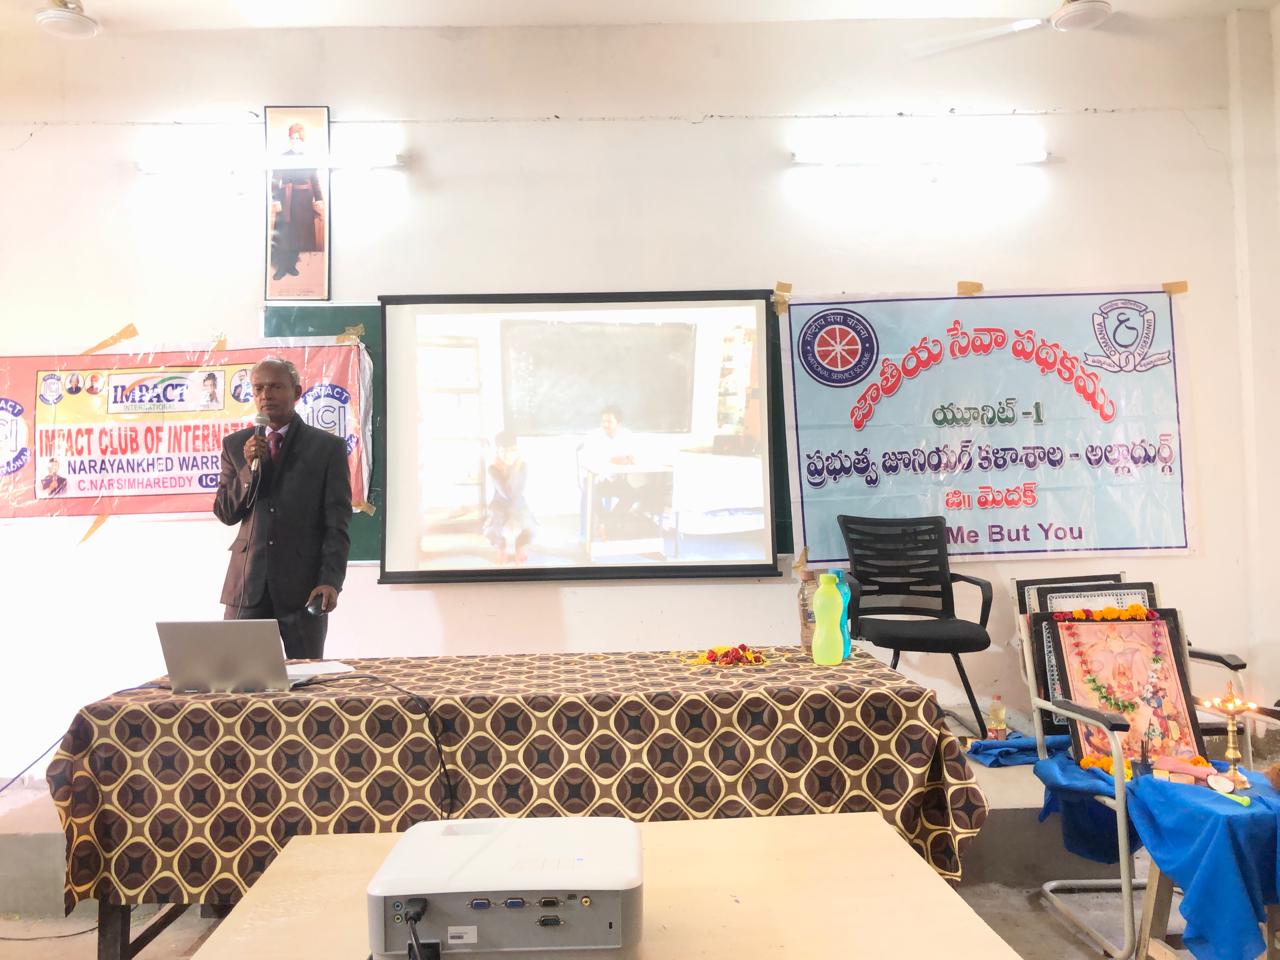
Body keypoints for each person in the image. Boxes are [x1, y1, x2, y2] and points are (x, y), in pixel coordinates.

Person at [213, 357, 351, 659]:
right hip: (246, 586)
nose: (266, 395)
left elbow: (337, 523)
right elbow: (225, 512)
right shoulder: (235, 445)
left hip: (303, 589)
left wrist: (330, 581)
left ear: (297, 392)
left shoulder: (326, 448)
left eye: (275, 387)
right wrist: (248, 469)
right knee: (240, 676)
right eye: (259, 388)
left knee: (306, 678)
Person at [269, 122, 325, 282]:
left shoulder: (309, 158)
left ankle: (292, 265)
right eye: (292, 138)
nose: (295, 141)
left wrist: (319, 199)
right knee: (284, 235)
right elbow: (275, 180)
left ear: (302, 140)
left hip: (304, 202)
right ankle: (282, 267)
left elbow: (315, 181)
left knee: (299, 236)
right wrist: (275, 199)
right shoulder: (282, 157)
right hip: (286, 200)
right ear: (289, 139)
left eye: (298, 138)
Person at [579, 405, 640, 539]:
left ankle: (605, 524)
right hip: (594, 479)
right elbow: (587, 461)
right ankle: (606, 524)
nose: (605, 425)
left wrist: (628, 459)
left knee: (631, 495)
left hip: (614, 480)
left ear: (619, 423)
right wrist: (613, 459)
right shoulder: (593, 436)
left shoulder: (627, 435)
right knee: (591, 494)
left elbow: (633, 457)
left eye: (609, 422)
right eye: (603, 421)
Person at [484, 431, 535, 564]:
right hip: (499, 502)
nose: (508, 454)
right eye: (503, 451)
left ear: (517, 450)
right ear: (497, 452)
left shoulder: (523, 465)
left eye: (512, 450)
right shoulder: (493, 468)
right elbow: (505, 492)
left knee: (531, 525)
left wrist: (515, 467)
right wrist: (513, 469)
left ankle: (520, 546)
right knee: (493, 527)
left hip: (518, 501)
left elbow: (519, 490)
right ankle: (501, 548)